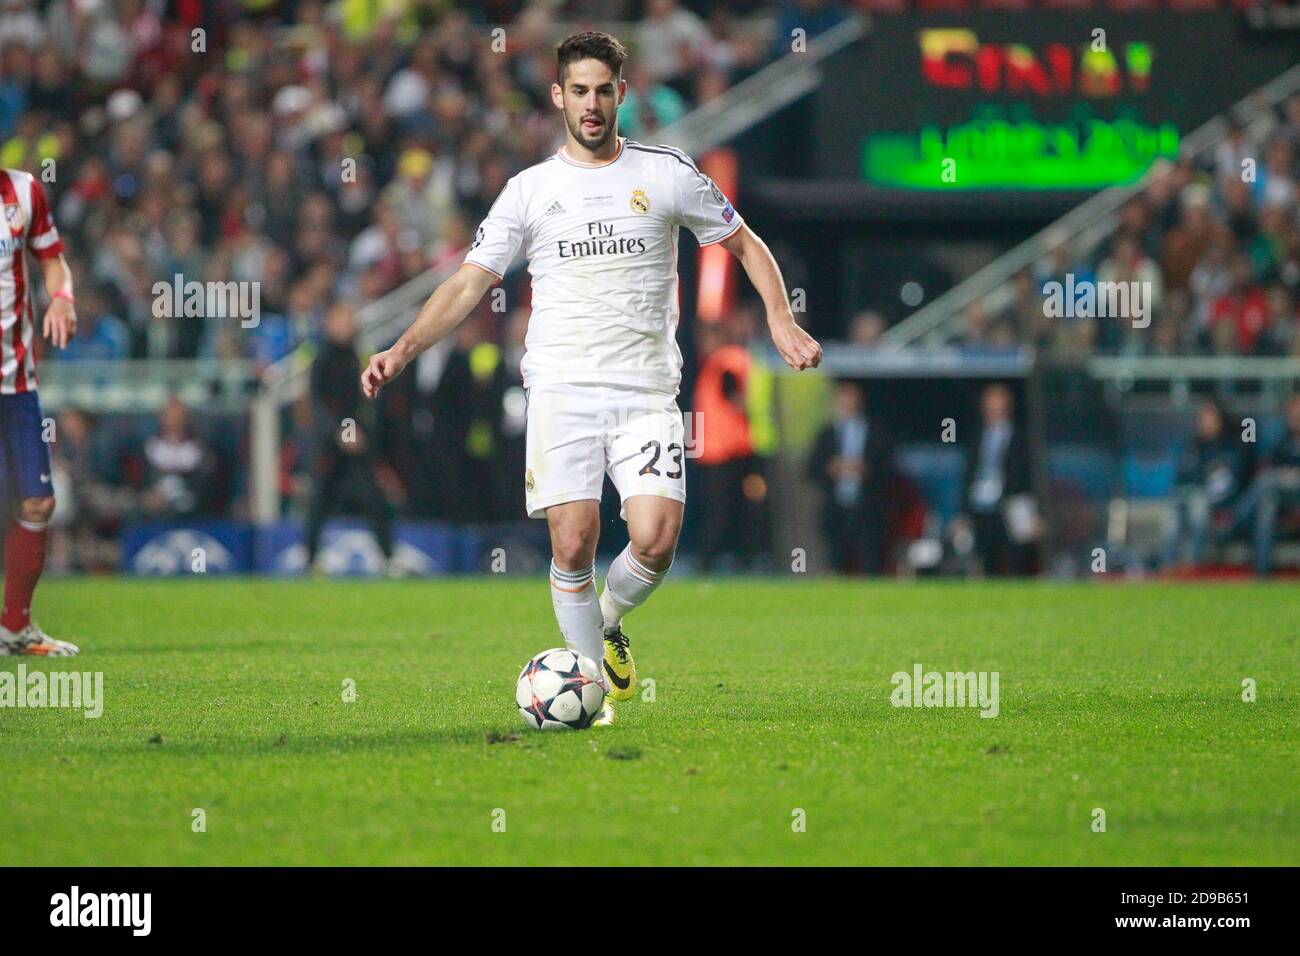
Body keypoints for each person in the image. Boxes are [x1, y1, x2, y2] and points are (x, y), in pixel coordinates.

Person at [360, 32, 821, 722]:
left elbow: (745, 244)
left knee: (656, 538)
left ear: (622, 94)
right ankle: (590, 700)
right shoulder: (531, 191)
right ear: (558, 97)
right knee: (573, 541)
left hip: (644, 393)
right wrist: (402, 348)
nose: (592, 103)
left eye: (604, 89)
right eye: (579, 90)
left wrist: (781, 319)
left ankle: (604, 624)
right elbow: (466, 283)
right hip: (562, 389)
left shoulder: (665, 174)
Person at [0, 166, 80, 655]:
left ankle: (15, 628)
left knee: (37, 503)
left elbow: (53, 259)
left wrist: (63, 298)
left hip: (16, 382)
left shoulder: (25, 190)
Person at [306, 302, 397, 576]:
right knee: (319, 504)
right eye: (343, 318)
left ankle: (389, 560)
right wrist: (341, 432)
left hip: (358, 449)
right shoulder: (322, 359)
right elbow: (319, 404)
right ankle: (311, 562)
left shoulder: (357, 356)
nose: (350, 324)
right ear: (330, 324)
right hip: (330, 449)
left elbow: (363, 404)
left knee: (375, 502)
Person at [808, 381, 893, 574]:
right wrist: (830, 468)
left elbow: (889, 468)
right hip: (835, 507)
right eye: (843, 397)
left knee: (871, 563)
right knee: (836, 564)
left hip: (867, 508)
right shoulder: (826, 433)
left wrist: (867, 470)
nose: (847, 402)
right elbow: (811, 469)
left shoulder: (876, 431)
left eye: (851, 397)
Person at [954, 383, 1038, 576]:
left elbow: (1032, 475)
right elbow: (968, 475)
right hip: (982, 506)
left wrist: (1036, 512)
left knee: (1018, 560)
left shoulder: (1023, 437)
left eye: (997, 402)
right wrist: (963, 512)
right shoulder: (976, 436)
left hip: (1013, 504)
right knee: (985, 559)